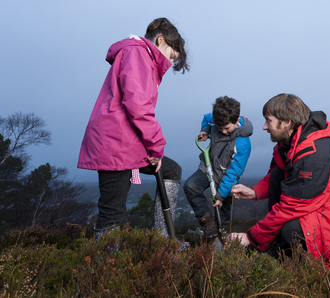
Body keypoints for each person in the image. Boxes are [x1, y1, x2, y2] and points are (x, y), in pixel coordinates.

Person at [230, 93, 330, 261]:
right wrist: (255, 192)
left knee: (292, 229)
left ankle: (308, 269)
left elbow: (291, 206)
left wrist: (250, 237)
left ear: (286, 123)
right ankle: (281, 244)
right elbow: (276, 174)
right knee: (278, 175)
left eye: (268, 120)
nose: (264, 127)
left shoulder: (313, 153)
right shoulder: (289, 144)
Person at [77, 18, 189, 239]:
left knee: (171, 170)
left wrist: (152, 148)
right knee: (112, 214)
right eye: (171, 55)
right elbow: (138, 107)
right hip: (115, 145)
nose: (169, 62)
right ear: (161, 40)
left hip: (128, 144)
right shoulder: (137, 54)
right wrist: (156, 147)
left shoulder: (142, 57)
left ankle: (163, 238)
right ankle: (104, 266)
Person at [183, 96, 253, 240]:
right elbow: (206, 118)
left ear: (236, 120)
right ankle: (207, 221)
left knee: (223, 219)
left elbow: (234, 172)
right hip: (207, 168)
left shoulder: (243, 143)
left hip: (226, 180)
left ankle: (222, 246)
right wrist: (205, 130)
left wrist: (220, 196)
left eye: (227, 128)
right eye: (219, 127)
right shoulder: (215, 119)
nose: (222, 131)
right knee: (190, 186)